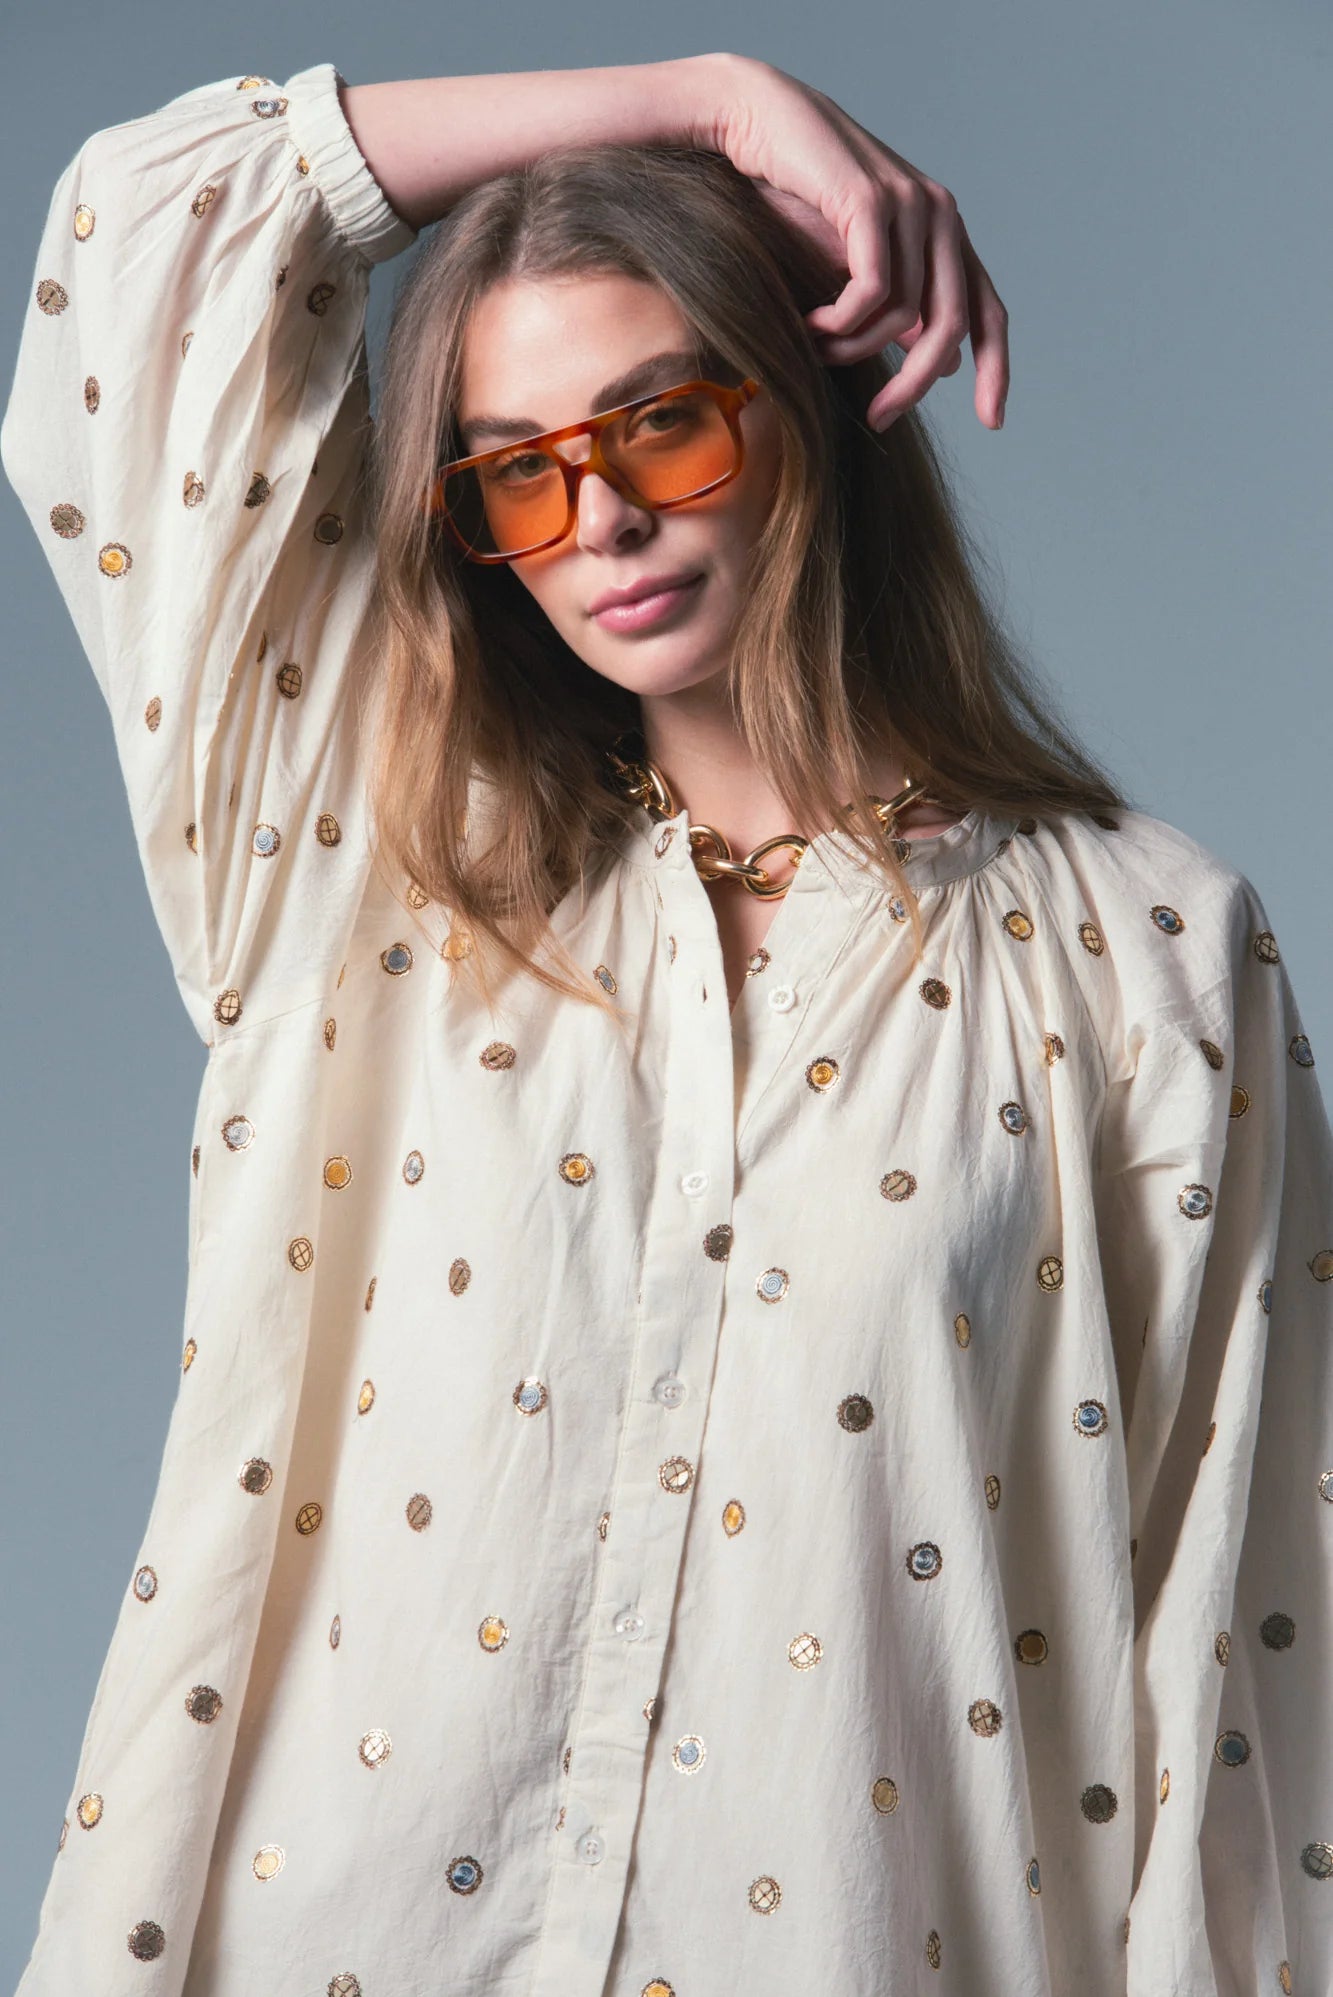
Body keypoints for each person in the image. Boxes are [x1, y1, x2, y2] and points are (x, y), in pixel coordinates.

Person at [2, 52, 1328, 1997]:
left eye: (661, 423)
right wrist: (707, 96)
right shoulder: (362, 876)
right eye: (515, 469)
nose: (598, 515)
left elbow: (1247, 1670)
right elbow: (137, 246)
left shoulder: (1148, 958)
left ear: (805, 406)